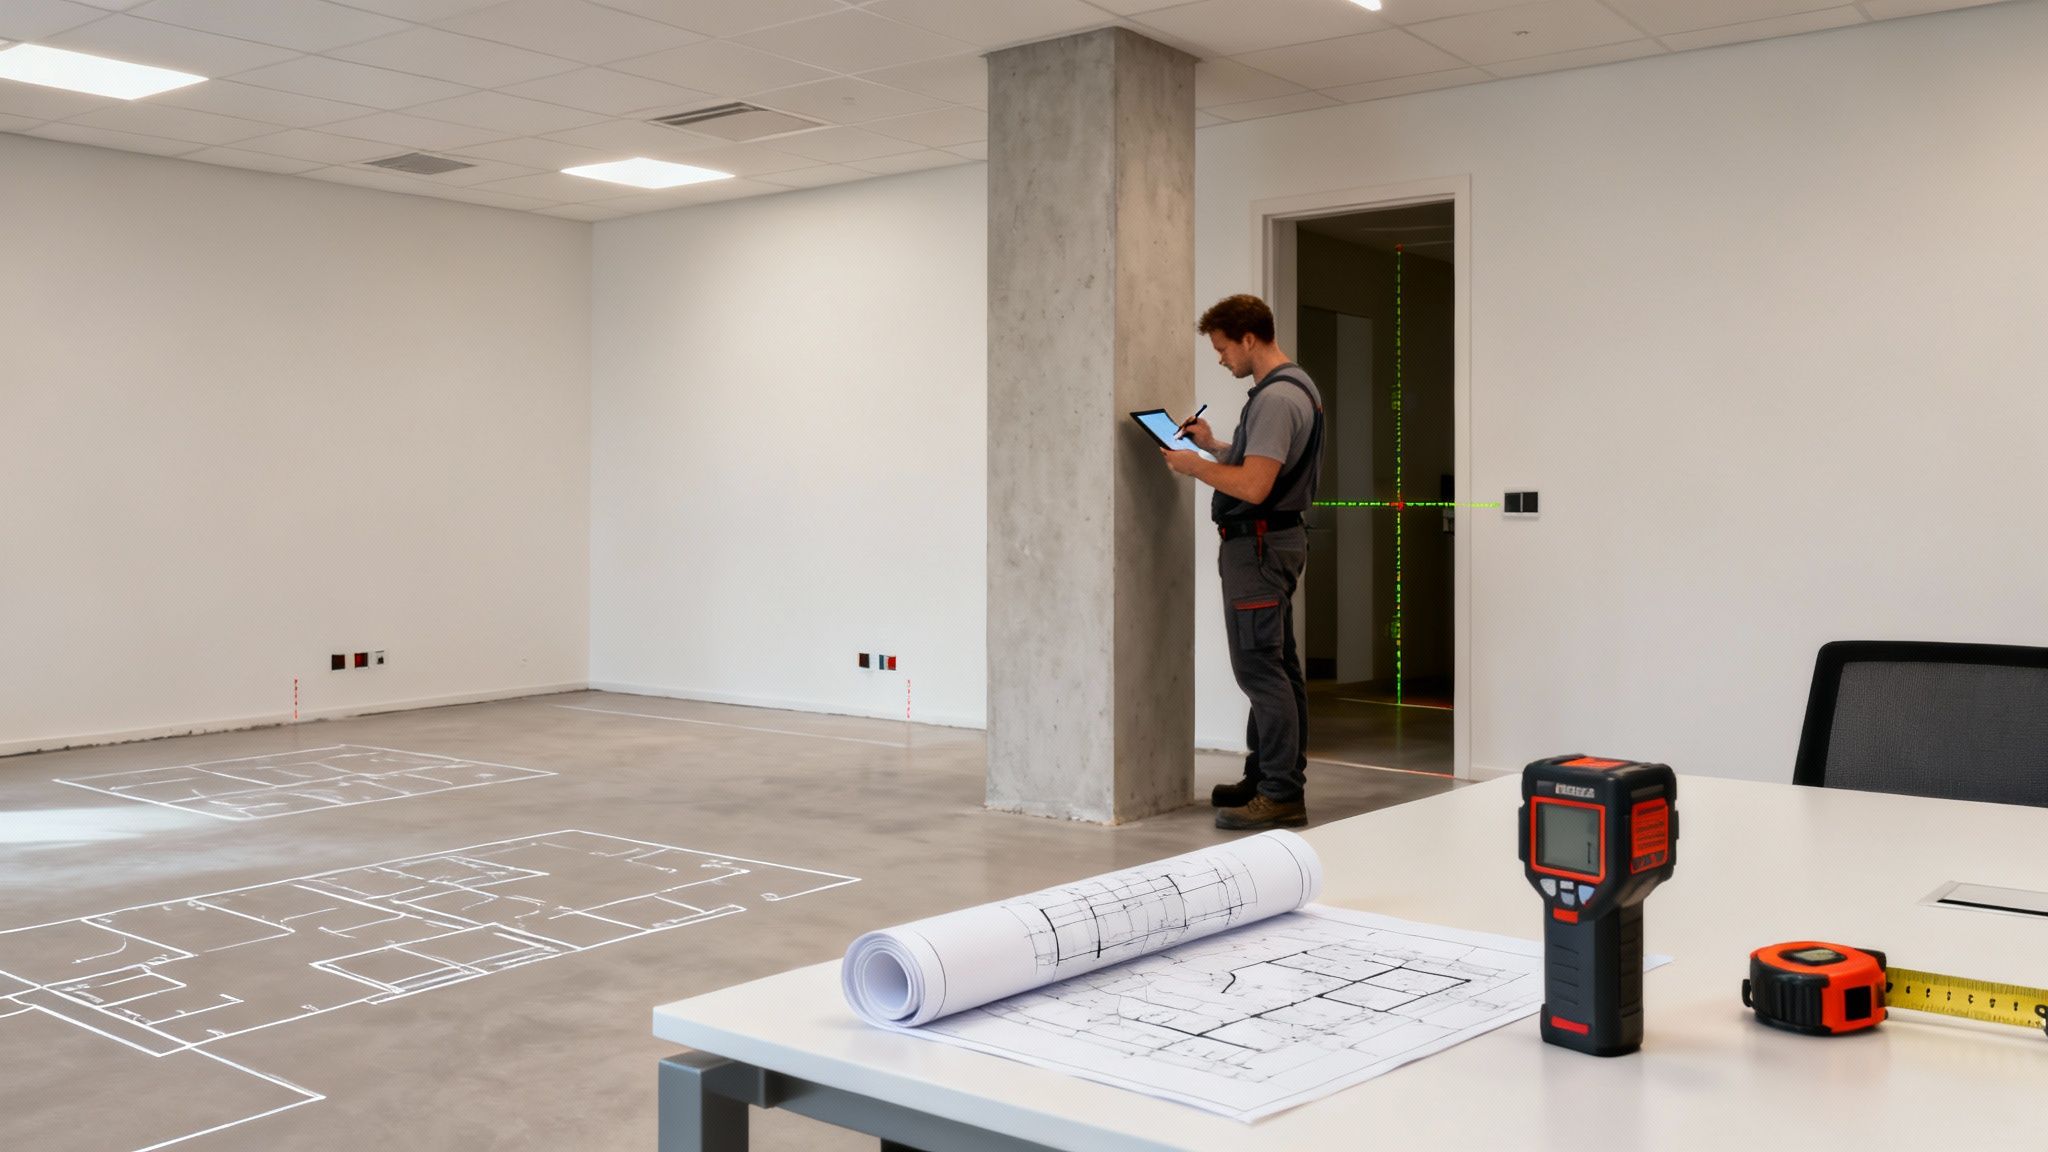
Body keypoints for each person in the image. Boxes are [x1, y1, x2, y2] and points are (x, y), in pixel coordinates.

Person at [1161, 294, 1325, 831]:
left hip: (1257, 546)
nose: (1220, 359)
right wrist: (1213, 446)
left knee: (1260, 670)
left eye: (1223, 348)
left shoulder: (1276, 399)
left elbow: (1255, 485)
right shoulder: (1297, 386)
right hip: (1273, 543)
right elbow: (1262, 464)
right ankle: (1268, 776)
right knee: (1279, 665)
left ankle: (1280, 793)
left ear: (1249, 339)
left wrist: (1193, 467)